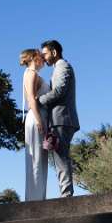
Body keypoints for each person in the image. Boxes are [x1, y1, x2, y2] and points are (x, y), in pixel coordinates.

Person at [36, 40, 79, 198]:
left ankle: (66, 195)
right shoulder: (57, 68)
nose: (43, 57)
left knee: (61, 157)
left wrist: (38, 100)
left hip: (63, 119)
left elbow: (59, 90)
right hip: (59, 119)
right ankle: (65, 193)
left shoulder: (63, 66)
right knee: (60, 157)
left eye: (45, 53)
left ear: (54, 52)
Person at [20, 48, 50, 201]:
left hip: (39, 117)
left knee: (40, 160)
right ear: (33, 58)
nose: (43, 59)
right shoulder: (31, 73)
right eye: (40, 56)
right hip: (36, 118)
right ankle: (35, 200)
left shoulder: (33, 74)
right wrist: (39, 121)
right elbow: (31, 99)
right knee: (36, 160)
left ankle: (39, 198)